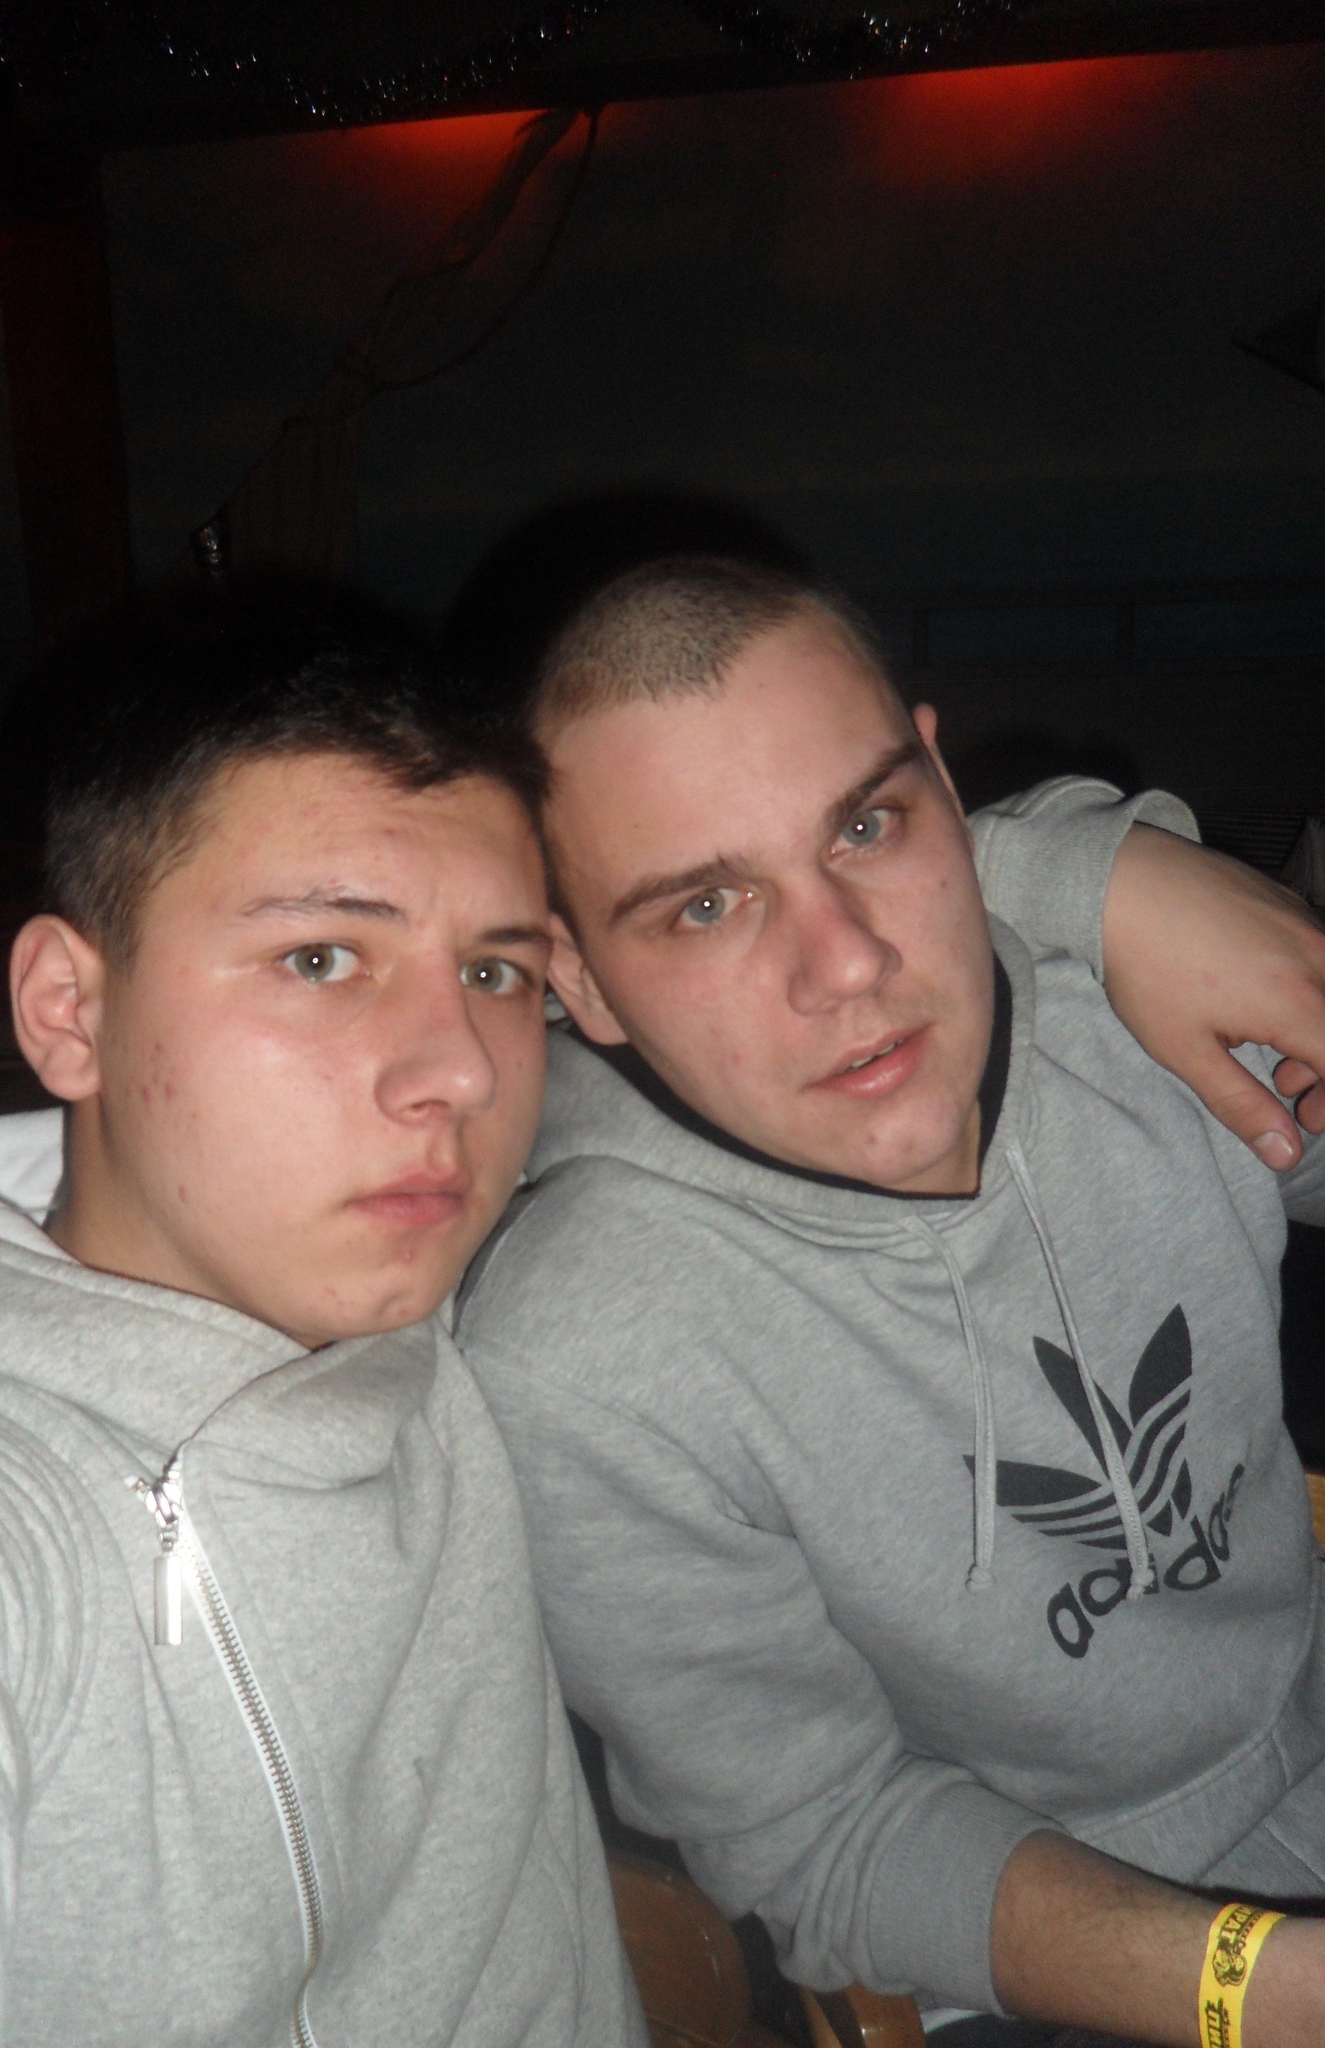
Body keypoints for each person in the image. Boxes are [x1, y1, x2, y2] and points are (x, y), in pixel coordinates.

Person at [455, 556, 1325, 2048]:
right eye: (706, 905)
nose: (848, 960)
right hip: (1048, 1954)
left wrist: (1103, 872)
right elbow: (830, 1833)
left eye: (866, 826)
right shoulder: (583, 1358)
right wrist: (1259, 1988)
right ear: (578, 983)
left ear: (941, 781)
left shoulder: (1129, 1005)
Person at [0, 619, 645, 2048]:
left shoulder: (448, 1250)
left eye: (497, 972)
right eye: (322, 957)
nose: (460, 1073)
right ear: (70, 1011)